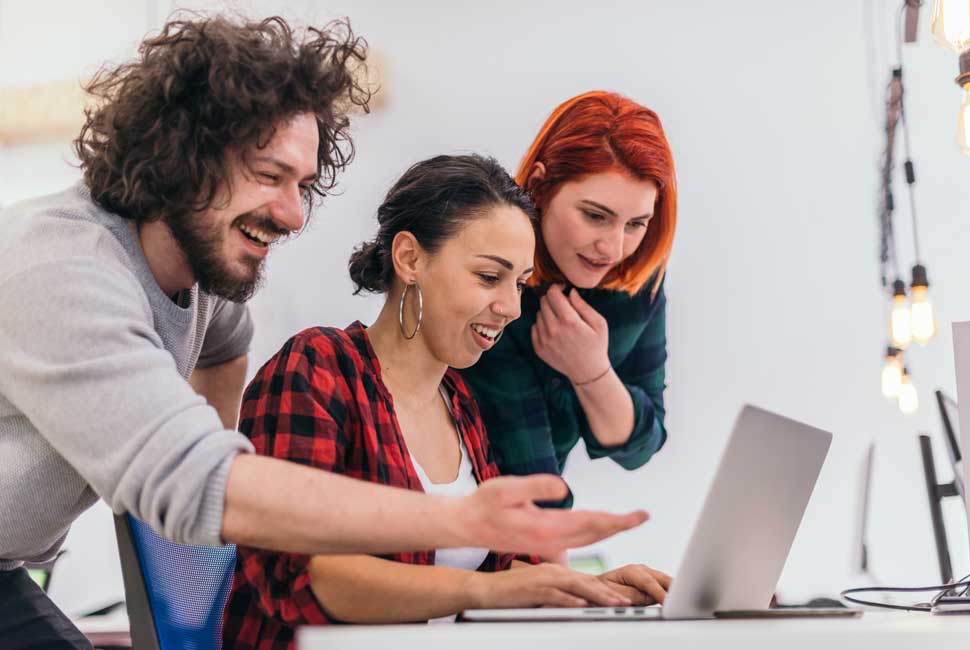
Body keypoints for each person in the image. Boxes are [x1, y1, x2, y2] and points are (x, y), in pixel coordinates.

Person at [0, 21, 645, 648]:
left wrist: (570, 586)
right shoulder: (65, 272)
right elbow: (212, 492)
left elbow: (226, 342)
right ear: (182, 156)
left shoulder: (198, 282)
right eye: (268, 175)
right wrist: (455, 520)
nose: (294, 213)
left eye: (303, 183)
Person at [222, 154, 670, 647]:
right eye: (488, 277)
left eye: (519, 283)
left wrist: (587, 590)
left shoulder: (460, 403)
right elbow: (300, 576)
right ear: (410, 259)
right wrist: (483, 591)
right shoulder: (317, 368)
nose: (511, 308)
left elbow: (501, 570)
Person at [460, 91, 677, 506]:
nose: (612, 249)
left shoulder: (638, 285)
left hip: (531, 540)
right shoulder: (491, 278)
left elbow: (641, 447)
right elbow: (531, 489)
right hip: (459, 525)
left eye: (636, 224)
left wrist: (591, 370)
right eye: (595, 216)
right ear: (540, 186)